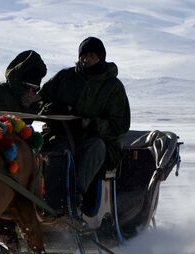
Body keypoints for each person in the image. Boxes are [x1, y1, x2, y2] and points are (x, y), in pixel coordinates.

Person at [38, 37, 130, 198]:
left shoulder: (113, 87)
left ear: (101, 57)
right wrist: (52, 109)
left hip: (98, 141)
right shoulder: (64, 77)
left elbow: (120, 125)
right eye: (83, 56)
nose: (86, 60)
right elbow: (40, 101)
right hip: (62, 135)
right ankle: (45, 197)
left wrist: (91, 124)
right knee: (56, 153)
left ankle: (75, 197)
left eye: (92, 56)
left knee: (95, 148)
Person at [0, 50, 47, 115]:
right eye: (27, 86)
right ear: (18, 82)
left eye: (35, 88)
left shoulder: (35, 102)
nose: (30, 91)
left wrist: (28, 108)